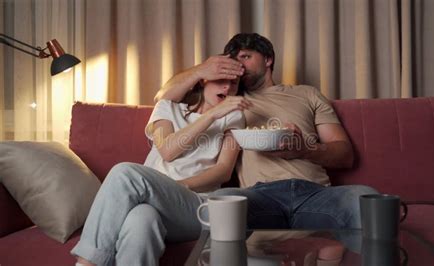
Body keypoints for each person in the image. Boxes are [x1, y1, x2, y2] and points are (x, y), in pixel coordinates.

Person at [156, 33, 378, 231]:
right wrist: (200, 70)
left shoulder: (307, 94)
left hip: (314, 193)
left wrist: (305, 150)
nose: (238, 67)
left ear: (268, 59)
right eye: (232, 63)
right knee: (221, 202)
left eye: (245, 57)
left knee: (365, 197)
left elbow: (345, 154)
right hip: (259, 195)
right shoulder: (228, 100)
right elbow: (163, 96)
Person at [71, 71, 251, 265]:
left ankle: (86, 263)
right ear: (204, 79)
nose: (228, 87)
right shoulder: (167, 107)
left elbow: (224, 170)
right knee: (141, 220)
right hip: (151, 201)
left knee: (124, 173)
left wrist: (177, 187)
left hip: (196, 206)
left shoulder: (233, 117)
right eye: (222, 79)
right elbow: (168, 150)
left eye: (234, 83)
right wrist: (210, 115)